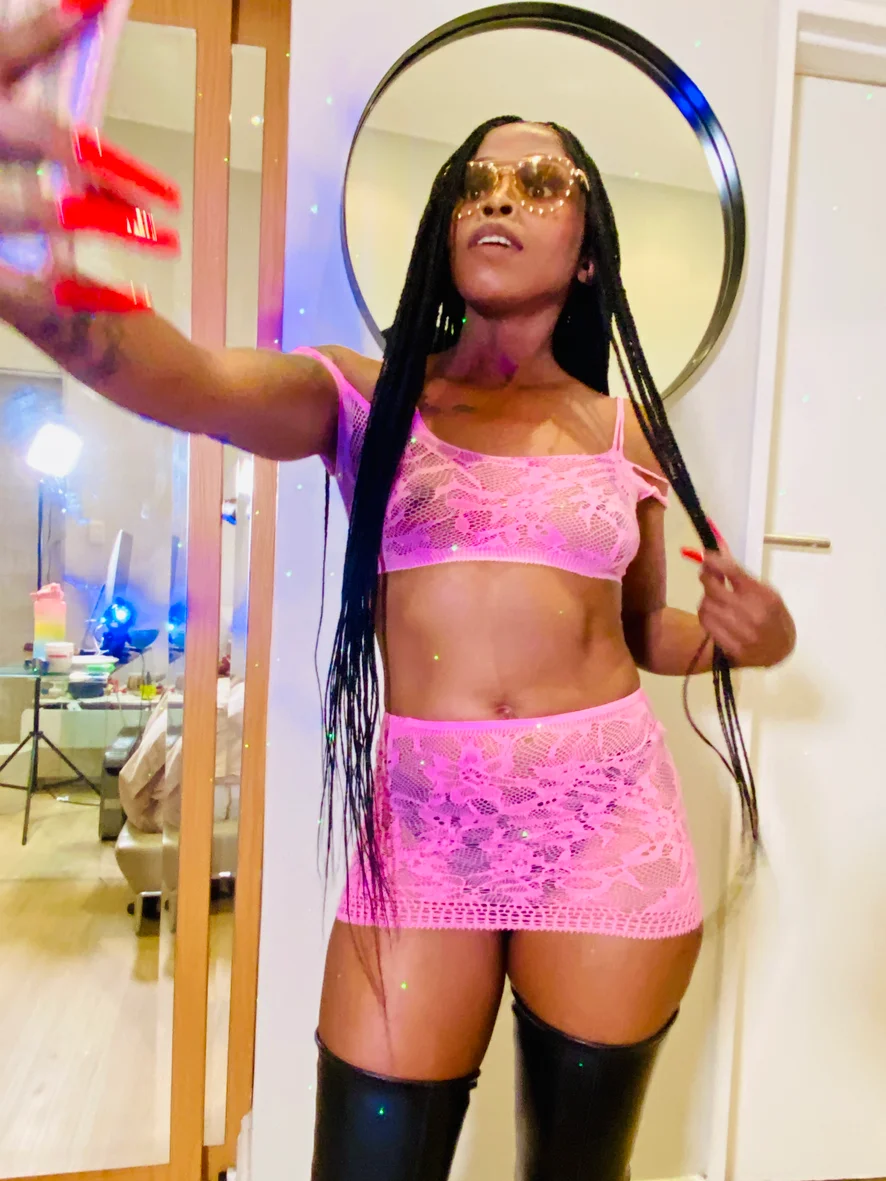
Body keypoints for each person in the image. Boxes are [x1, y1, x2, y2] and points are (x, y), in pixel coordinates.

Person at [0, 8, 796, 1179]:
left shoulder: (625, 432)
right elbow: (191, 380)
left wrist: (748, 639)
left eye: (539, 182)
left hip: (609, 824)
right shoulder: (366, 401)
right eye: (475, 180)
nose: (498, 195)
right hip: (425, 829)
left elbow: (639, 630)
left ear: (587, 253)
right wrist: (26, 273)